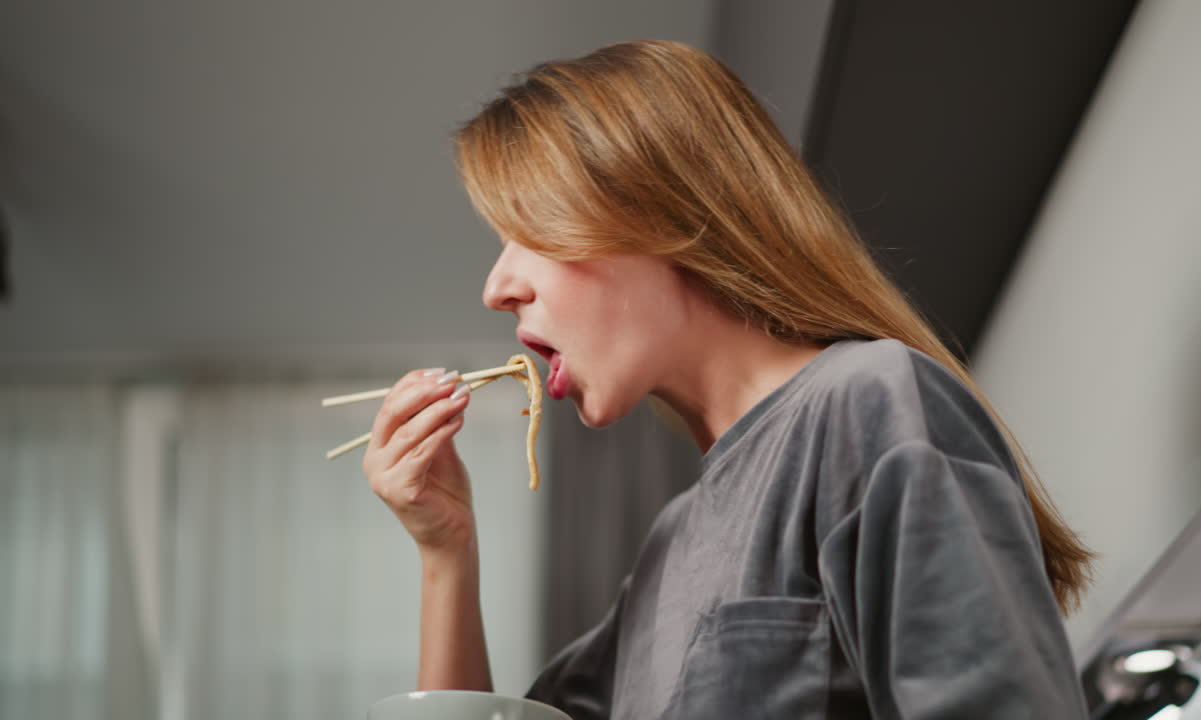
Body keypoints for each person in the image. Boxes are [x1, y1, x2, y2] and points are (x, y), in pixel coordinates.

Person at [363, 39, 1094, 719]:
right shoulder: (671, 545)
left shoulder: (868, 405)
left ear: (651, 204)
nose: (498, 286)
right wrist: (445, 551)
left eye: (526, 230)